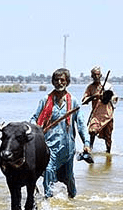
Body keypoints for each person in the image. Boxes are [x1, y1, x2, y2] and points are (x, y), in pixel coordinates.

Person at [31, 68, 91, 199]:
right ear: (52, 82)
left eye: (62, 80)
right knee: (48, 172)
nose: (59, 82)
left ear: (67, 82)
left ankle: (72, 202)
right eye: (56, 80)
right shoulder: (45, 100)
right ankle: (48, 204)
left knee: (69, 178)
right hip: (49, 147)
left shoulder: (73, 102)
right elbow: (34, 119)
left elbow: (81, 125)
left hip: (68, 149)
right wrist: (34, 129)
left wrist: (86, 143)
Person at [82, 65, 117, 154]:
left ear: (101, 75)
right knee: (92, 131)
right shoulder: (90, 88)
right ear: (92, 76)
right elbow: (84, 101)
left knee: (108, 136)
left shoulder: (107, 86)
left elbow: (113, 97)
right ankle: (90, 150)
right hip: (96, 115)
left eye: (98, 75)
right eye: (94, 75)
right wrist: (94, 96)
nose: (96, 77)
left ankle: (108, 153)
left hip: (107, 115)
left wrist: (109, 97)